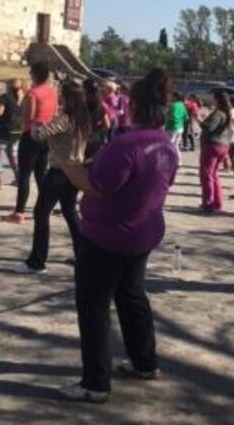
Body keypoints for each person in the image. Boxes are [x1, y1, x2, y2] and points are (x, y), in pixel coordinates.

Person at [55, 68, 179, 403]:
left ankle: (95, 382)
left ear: (133, 105)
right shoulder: (166, 144)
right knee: (131, 295)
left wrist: (66, 163)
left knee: (93, 305)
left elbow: (95, 186)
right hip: (143, 232)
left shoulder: (126, 145)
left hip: (109, 236)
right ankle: (144, 362)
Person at [16, 81, 91, 273]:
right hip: (75, 170)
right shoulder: (83, 118)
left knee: (41, 213)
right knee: (70, 211)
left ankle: (37, 261)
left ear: (68, 98)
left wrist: (36, 124)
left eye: (62, 96)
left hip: (60, 171)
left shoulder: (65, 118)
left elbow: (39, 135)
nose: (60, 98)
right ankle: (83, 254)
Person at [3, 62, 57, 224]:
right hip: (46, 134)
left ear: (34, 75)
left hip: (30, 135)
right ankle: (47, 206)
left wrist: (16, 117)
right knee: (41, 173)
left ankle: (19, 212)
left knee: (24, 174)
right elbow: (54, 112)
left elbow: (29, 116)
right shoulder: (53, 91)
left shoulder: (33, 93)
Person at [0, 79, 24, 189]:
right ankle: (19, 179)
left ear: (8, 86)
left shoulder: (5, 97)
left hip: (3, 131)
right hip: (17, 131)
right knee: (13, 155)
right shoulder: (23, 97)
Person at [199, 91, 234, 213]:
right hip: (223, 145)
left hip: (212, 145)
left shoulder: (218, 113)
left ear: (218, 100)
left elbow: (209, 128)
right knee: (214, 174)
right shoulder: (227, 114)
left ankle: (208, 202)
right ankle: (217, 202)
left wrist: (200, 120)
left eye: (214, 99)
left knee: (206, 175)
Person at [165, 93, 189, 160]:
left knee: (169, 144)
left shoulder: (172, 105)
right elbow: (186, 117)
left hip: (172, 127)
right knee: (176, 145)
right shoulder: (182, 105)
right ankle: (179, 160)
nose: (170, 98)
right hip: (180, 128)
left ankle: (170, 160)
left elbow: (169, 116)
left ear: (175, 97)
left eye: (171, 96)